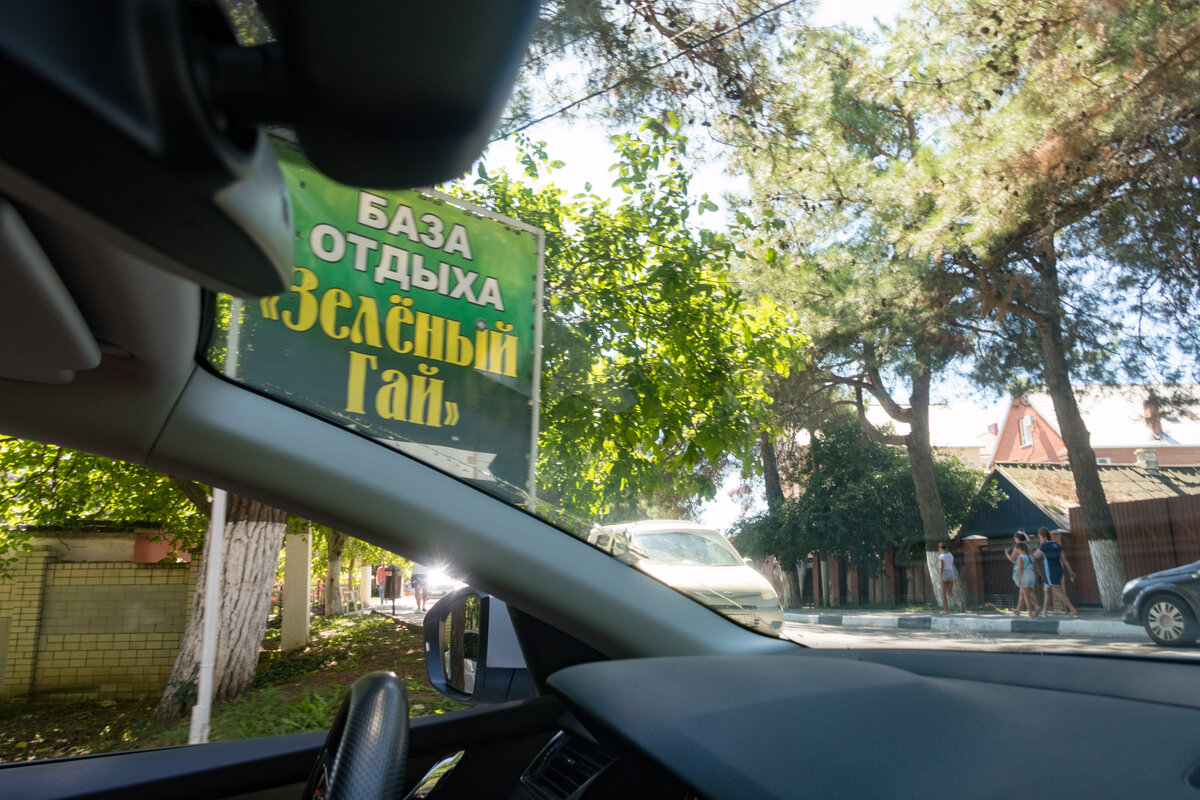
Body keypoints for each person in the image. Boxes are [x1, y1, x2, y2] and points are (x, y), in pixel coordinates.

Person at [1034, 527, 1078, 617]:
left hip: (1050, 571)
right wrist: (1070, 571)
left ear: (1042, 536)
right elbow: (1064, 560)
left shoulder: (1044, 546)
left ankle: (1073, 610)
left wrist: (1039, 545)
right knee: (1047, 590)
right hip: (1058, 570)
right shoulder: (1057, 545)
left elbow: (1035, 556)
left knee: (1057, 591)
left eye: (1039, 536)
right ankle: (1044, 612)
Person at [1005, 530, 1032, 614]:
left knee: (1026, 591)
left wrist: (1006, 553)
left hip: (1021, 570)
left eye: (1015, 538)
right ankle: (1018, 610)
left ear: (1017, 538)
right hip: (1030, 570)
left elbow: (1012, 559)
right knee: (1022, 592)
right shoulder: (1028, 547)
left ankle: (1037, 606)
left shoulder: (1018, 547)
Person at [1014, 542, 1038, 619]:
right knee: (1030, 593)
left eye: (1016, 549)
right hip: (1032, 576)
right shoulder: (1031, 556)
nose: (1016, 551)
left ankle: (1030, 614)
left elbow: (1020, 569)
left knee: (1026, 597)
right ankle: (1036, 607)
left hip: (1025, 576)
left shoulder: (1020, 557)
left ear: (1019, 549)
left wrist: (1019, 579)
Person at [937, 542, 963, 614]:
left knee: (943, 594)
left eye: (939, 549)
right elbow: (951, 565)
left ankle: (946, 611)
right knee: (950, 592)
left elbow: (942, 567)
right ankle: (959, 602)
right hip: (951, 573)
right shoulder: (950, 555)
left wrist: (941, 576)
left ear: (941, 548)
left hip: (945, 573)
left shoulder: (941, 556)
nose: (939, 550)